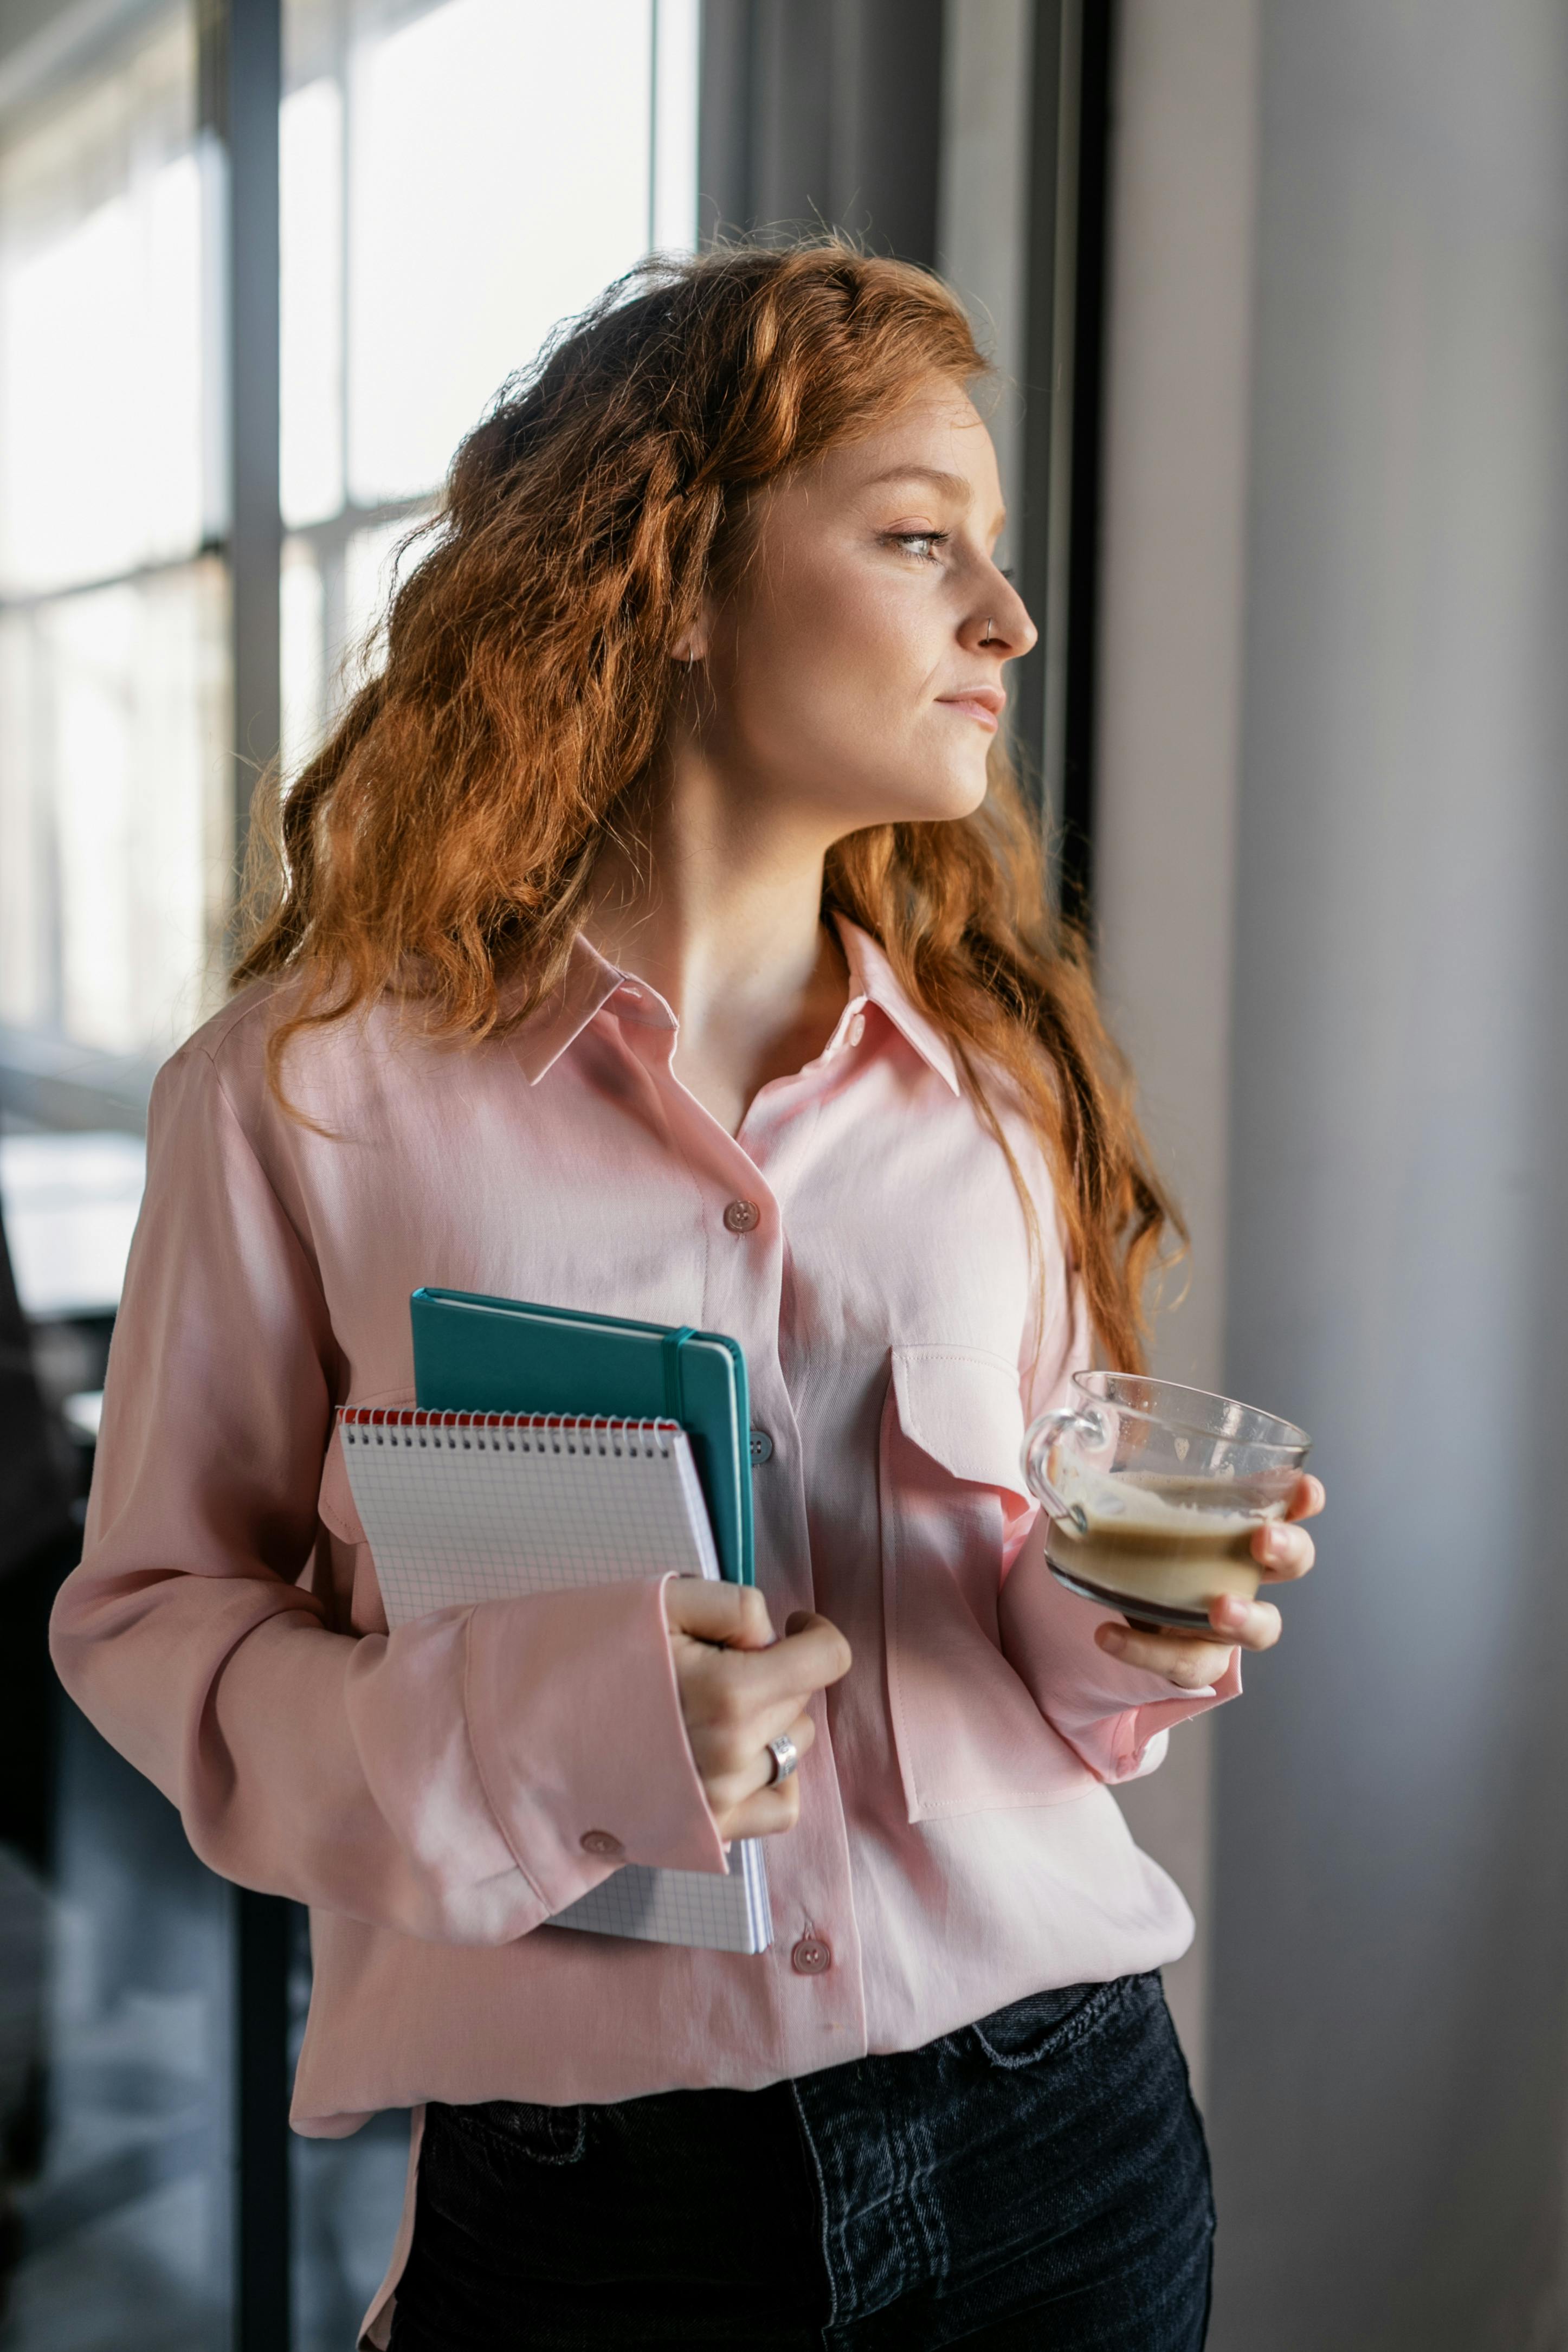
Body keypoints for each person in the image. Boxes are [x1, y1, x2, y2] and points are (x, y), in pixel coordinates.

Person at [50, 243, 1322, 2350]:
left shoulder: (998, 1097)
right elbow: (146, 1625)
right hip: (587, 2216)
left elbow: (1013, 1618)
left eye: (991, 558)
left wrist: (1121, 1621)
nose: (1002, 620)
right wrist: (547, 1722)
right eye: (920, 541)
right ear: (663, 573)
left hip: (1058, 2134)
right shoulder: (302, 1095)